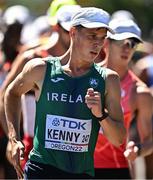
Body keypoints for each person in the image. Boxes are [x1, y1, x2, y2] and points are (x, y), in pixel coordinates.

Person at [4, 7, 126, 179]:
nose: (98, 44)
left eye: (102, 38)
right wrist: (14, 138)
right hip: (40, 170)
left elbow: (119, 139)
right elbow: (11, 93)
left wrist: (101, 115)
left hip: (80, 174)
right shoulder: (40, 68)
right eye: (92, 36)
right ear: (73, 32)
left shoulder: (108, 80)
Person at [0, 4, 81, 171]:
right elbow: (5, 96)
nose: (74, 37)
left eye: (79, 31)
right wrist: (13, 138)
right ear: (56, 27)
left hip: (71, 155)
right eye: (69, 31)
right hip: (34, 153)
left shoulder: (83, 64)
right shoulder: (33, 58)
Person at [94, 18, 153, 179]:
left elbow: (149, 141)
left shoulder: (140, 91)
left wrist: (138, 149)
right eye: (122, 41)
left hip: (114, 169)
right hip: (77, 166)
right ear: (106, 42)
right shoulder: (85, 76)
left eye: (133, 43)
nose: (128, 48)